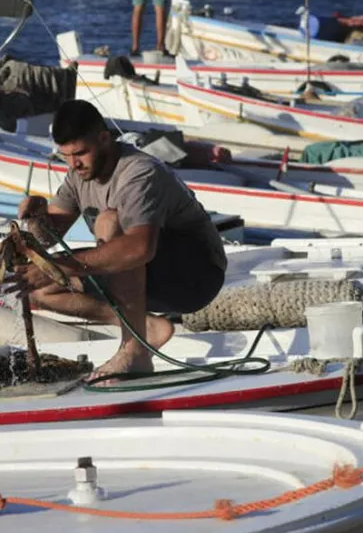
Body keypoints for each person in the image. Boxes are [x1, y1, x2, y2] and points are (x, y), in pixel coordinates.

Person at [13, 100, 226, 380]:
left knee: (109, 221)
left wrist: (61, 266)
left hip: (195, 274)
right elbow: (49, 236)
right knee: (41, 289)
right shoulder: (78, 175)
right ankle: (147, 327)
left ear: (104, 138)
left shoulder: (139, 173)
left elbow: (139, 247)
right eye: (65, 156)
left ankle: (135, 352)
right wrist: (36, 219)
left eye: (80, 153)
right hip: (146, 272)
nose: (74, 163)